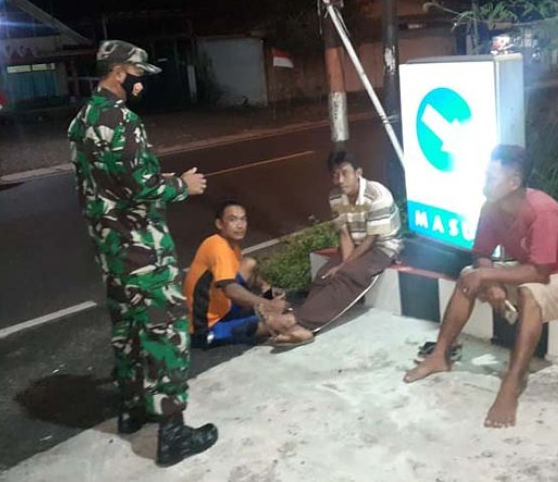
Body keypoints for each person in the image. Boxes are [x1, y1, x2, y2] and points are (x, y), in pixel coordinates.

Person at [67, 39, 217, 467]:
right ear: (119, 73)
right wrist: (182, 185)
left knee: (128, 328)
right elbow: (143, 187)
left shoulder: (81, 121)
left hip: (110, 249)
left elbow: (107, 182)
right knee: (164, 331)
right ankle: (173, 433)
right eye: (136, 76)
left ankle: (132, 409)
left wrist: (154, 177)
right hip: (141, 250)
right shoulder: (123, 121)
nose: (141, 85)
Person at [403, 144, 558, 429]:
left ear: (514, 182)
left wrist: (489, 277)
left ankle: (512, 383)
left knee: (530, 293)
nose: (484, 182)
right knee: (468, 276)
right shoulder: (491, 207)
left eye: (490, 177)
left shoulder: (542, 210)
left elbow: (540, 273)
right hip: (540, 273)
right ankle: (440, 355)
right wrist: (492, 280)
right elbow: (481, 254)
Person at [259, 150, 402, 347]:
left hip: (382, 246)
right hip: (357, 244)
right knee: (324, 274)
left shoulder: (377, 194)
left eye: (345, 173)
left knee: (349, 274)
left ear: (358, 173)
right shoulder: (335, 197)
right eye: (335, 175)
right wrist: (343, 262)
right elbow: (344, 234)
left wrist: (344, 266)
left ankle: (296, 321)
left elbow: (371, 239)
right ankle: (302, 327)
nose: (340, 180)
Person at [185, 200, 286, 348]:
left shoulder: (231, 246)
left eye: (243, 219)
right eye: (233, 220)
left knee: (249, 263)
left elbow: (243, 276)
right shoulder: (217, 247)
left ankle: (247, 312)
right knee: (280, 322)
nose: (240, 225)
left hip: (223, 309)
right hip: (206, 327)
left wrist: (267, 289)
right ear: (220, 224)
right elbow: (231, 290)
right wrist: (268, 304)